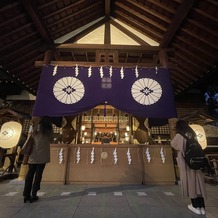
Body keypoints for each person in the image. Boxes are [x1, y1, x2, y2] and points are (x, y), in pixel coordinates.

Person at [171, 120, 207, 215]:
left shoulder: (180, 135)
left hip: (187, 163)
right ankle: (202, 207)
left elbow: (173, 144)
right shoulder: (193, 134)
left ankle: (195, 206)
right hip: (197, 163)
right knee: (198, 184)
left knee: (191, 184)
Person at [23, 116, 53, 203]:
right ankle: (34, 194)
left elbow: (29, 136)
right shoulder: (49, 129)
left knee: (29, 174)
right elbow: (51, 139)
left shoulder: (34, 126)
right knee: (38, 175)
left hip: (33, 154)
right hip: (43, 155)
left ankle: (26, 195)